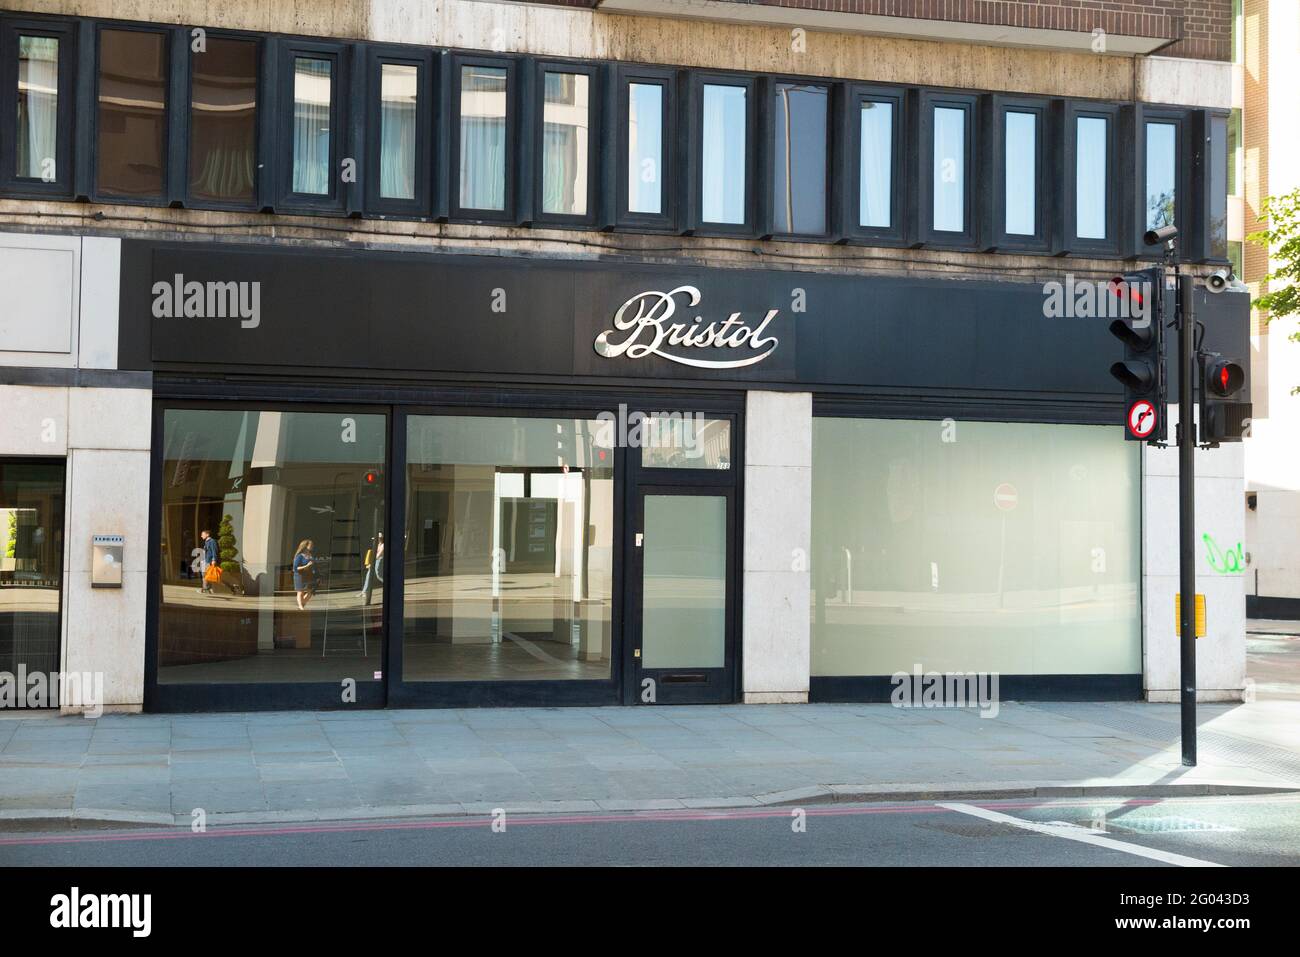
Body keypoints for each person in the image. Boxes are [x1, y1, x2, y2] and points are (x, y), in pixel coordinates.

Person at [360, 533, 384, 605]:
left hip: (379, 560)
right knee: (368, 575)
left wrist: (371, 563)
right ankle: (364, 591)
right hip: (375, 560)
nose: (376, 540)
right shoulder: (376, 545)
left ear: (380, 539)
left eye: (378, 539)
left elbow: (379, 555)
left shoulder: (383, 545)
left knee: (378, 574)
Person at [292, 539, 316, 611]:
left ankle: (301, 605)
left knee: (310, 592)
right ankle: (301, 606)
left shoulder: (310, 555)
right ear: (305, 546)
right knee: (300, 591)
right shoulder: (299, 556)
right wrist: (306, 566)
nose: (312, 546)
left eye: (312, 545)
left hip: (308, 575)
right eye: (310, 545)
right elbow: (295, 568)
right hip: (299, 575)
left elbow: (313, 566)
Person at [199, 529, 219, 594]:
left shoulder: (212, 541)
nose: (201, 536)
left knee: (206, 575)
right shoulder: (206, 542)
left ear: (207, 534)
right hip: (205, 560)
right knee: (204, 575)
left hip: (209, 561)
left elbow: (214, 551)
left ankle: (206, 589)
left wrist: (214, 559)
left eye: (202, 534)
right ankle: (207, 589)